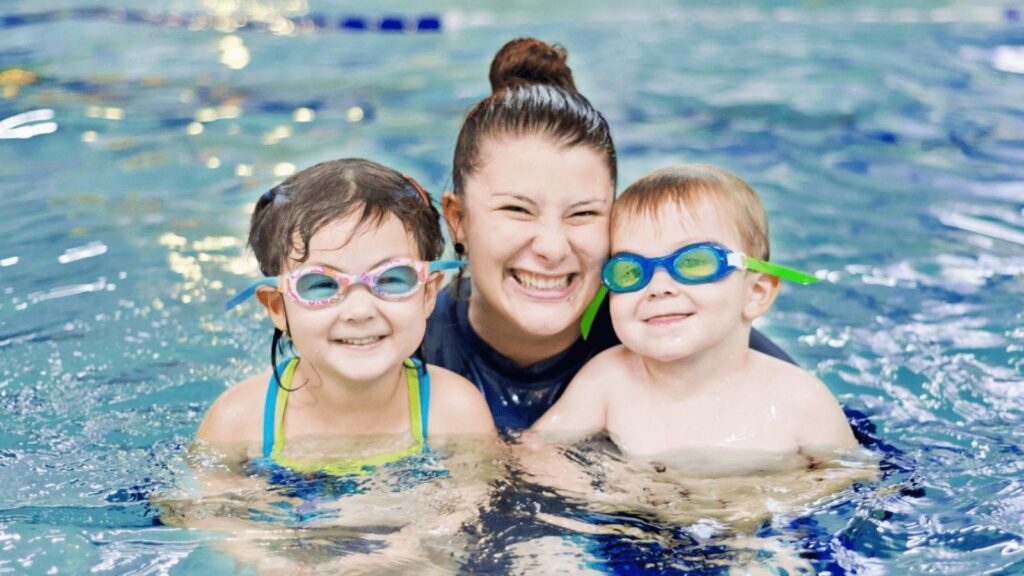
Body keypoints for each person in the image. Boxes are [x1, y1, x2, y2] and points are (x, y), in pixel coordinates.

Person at [425, 38, 795, 432]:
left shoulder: (673, 331)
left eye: (583, 213)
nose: (552, 248)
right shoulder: (407, 350)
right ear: (458, 220)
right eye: (517, 210)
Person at [530, 164, 857, 460]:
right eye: (629, 270)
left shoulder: (800, 399)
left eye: (694, 263)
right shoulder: (607, 380)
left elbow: (849, 484)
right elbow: (534, 453)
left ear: (756, 293)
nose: (658, 287)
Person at [197, 158, 496, 475]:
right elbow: (205, 503)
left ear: (428, 294)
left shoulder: (455, 413)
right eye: (321, 285)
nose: (360, 311)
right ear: (277, 307)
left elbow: (472, 501)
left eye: (392, 278)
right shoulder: (239, 422)